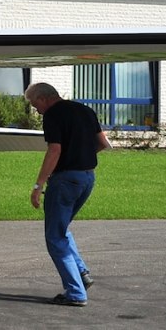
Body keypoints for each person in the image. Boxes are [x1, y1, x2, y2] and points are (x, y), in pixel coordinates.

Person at [25, 81, 111, 307]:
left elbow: (54, 150)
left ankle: (76, 293)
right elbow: (102, 143)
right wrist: (80, 153)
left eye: (35, 105)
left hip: (65, 181)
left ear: (44, 98)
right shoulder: (85, 110)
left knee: (54, 236)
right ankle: (81, 273)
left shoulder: (53, 114)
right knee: (61, 228)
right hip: (87, 178)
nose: (36, 109)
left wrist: (38, 185)